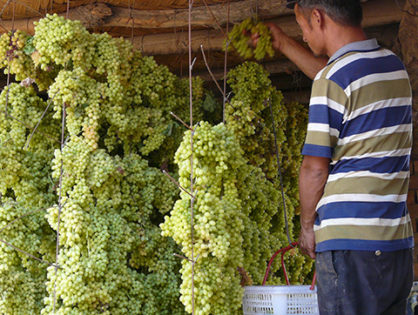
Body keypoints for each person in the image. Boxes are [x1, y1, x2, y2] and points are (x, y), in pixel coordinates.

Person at [254, 0, 414, 314]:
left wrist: (307, 227)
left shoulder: (333, 80)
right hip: (395, 243)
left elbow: (314, 169)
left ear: (318, 16)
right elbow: (338, 84)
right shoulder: (392, 66)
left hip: (350, 247)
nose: (302, 36)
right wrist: (283, 44)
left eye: (301, 27)